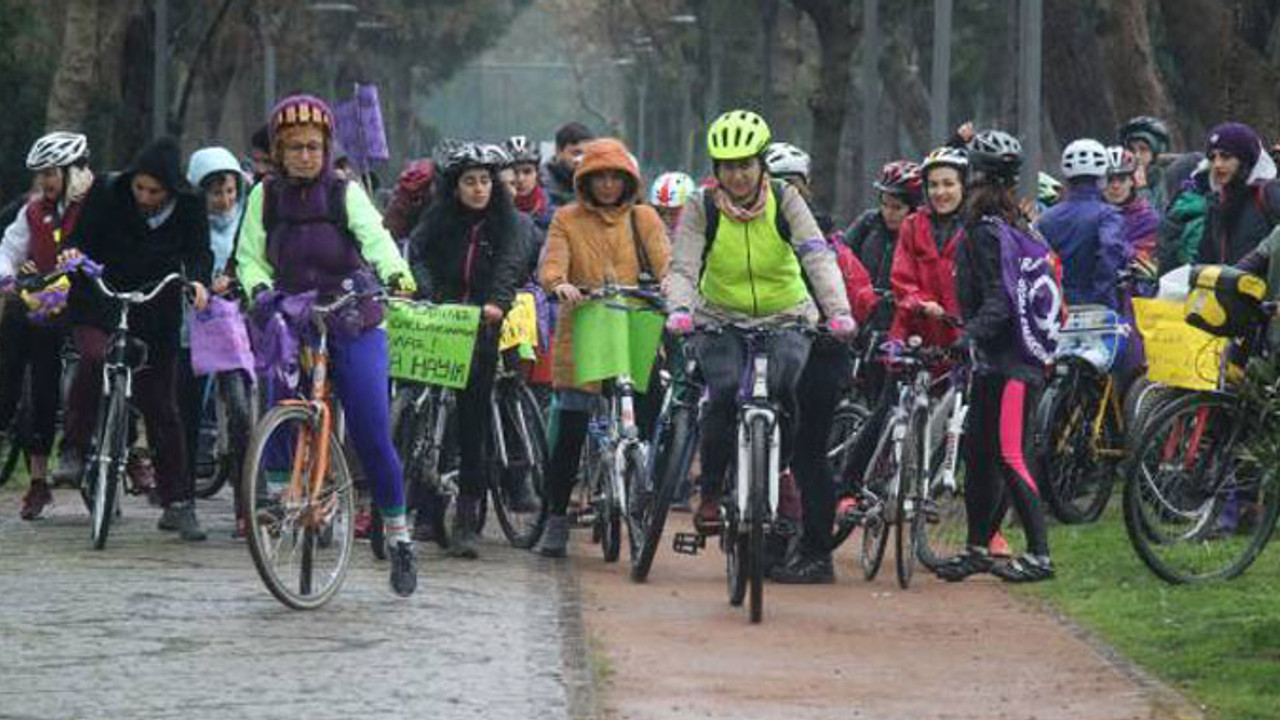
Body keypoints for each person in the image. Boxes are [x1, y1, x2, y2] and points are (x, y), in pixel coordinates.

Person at [234, 94, 419, 596]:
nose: (304, 156)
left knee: (370, 424)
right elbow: (249, 256)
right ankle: (279, 498)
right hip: (293, 313)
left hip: (352, 314)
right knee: (279, 398)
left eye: (314, 147)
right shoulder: (263, 196)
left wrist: (396, 274)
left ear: (327, 147)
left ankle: (399, 536)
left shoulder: (344, 191)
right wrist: (256, 289)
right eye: (293, 147)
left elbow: (376, 239)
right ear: (277, 150)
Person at [664, 110, 856, 582]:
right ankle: (710, 493)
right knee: (726, 393)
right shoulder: (701, 207)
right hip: (720, 317)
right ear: (717, 169)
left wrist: (839, 311)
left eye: (746, 164)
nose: (737, 174)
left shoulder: (787, 199)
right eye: (727, 166)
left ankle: (780, 471)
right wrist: (679, 309)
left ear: (762, 165)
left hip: (787, 314)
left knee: (786, 392)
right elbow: (684, 266)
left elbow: (817, 254)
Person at [58, 136, 213, 541]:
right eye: (139, 188)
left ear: (172, 191)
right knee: (93, 357)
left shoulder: (192, 207)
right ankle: (73, 449)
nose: (145, 197)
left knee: (161, 402)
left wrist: (197, 283)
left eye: (154, 191)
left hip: (154, 304)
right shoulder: (108, 192)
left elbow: (200, 254)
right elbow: (78, 240)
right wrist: (72, 257)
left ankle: (178, 501)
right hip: (100, 297)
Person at [534, 137, 672, 558]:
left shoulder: (645, 218)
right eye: (600, 178)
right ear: (585, 181)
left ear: (628, 179)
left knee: (646, 416)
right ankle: (556, 519)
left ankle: (642, 490)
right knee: (572, 428)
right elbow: (551, 265)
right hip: (587, 326)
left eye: (616, 177)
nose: (609, 185)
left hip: (636, 325)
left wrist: (671, 286)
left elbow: (666, 261)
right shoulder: (566, 219)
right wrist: (560, 285)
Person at [936, 130, 1054, 583]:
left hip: (1012, 366)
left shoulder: (987, 233)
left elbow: (1000, 302)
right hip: (995, 363)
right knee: (978, 457)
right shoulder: (1014, 226)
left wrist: (967, 336)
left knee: (1009, 455)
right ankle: (977, 548)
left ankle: (1040, 555)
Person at [408, 143, 523, 559]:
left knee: (472, 422)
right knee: (421, 415)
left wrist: (497, 303)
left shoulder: (506, 222)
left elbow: (511, 263)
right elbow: (416, 253)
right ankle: (422, 507)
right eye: (470, 181)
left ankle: (467, 515)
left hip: (482, 326)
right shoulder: (437, 218)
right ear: (454, 187)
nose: (479, 189)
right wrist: (428, 293)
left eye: (485, 181)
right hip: (440, 319)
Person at [0, 132, 94, 519]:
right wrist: (6, 279)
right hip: (46, 305)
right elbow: (9, 249)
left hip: (89, 302)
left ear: (74, 170)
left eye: (52, 173)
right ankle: (37, 478)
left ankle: (132, 451)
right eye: (41, 175)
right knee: (30, 352)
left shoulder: (96, 204)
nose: (45, 182)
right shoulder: (34, 211)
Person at [183, 146, 254, 536]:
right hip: (189, 330)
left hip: (233, 329)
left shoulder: (248, 222)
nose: (225, 200)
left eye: (229, 191)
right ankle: (182, 499)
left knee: (242, 413)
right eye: (215, 193)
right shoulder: (189, 225)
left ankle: (246, 506)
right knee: (187, 411)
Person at [1037, 138, 1125, 309]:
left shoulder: (1046, 218)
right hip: (1098, 309)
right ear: (1103, 178)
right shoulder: (1108, 215)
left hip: (1057, 309)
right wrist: (1102, 296)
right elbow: (1110, 249)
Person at [1194, 122, 1280, 266]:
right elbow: (1205, 257)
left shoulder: (1268, 194)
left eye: (1225, 157)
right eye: (1212, 157)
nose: (1217, 164)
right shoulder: (1216, 202)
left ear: (1245, 160)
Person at [506, 135, 556, 232]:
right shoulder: (490, 213)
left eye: (527, 171)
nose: (520, 179)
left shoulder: (555, 213)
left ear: (537, 173)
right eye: (514, 172)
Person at [542, 122, 595, 207]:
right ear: (559, 151)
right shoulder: (542, 183)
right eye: (576, 153)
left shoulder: (595, 181)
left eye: (587, 154)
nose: (581, 159)